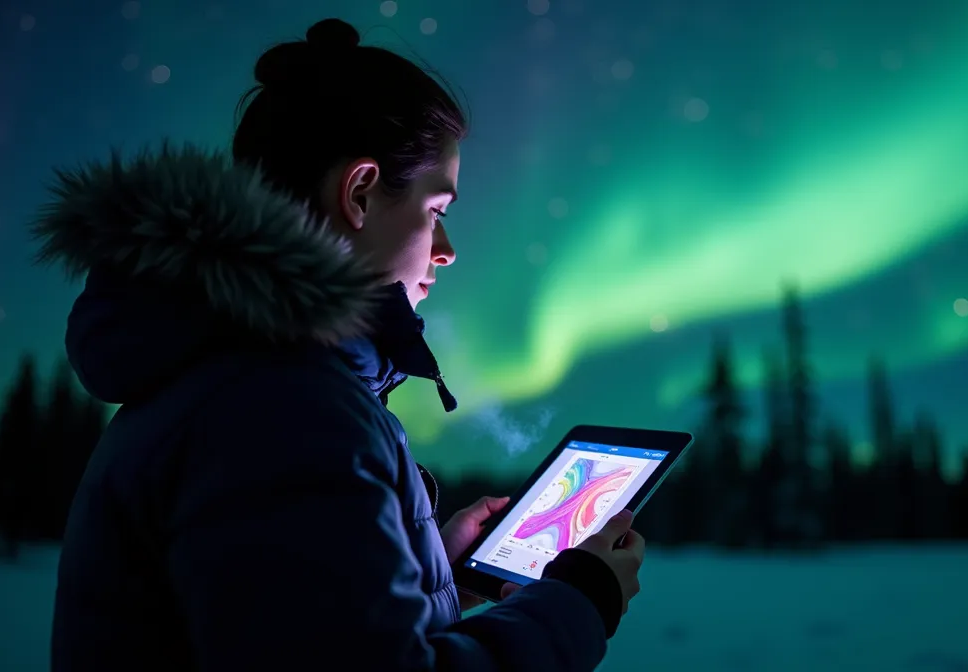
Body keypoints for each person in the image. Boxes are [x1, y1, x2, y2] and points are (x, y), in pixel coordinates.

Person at [37, 18, 645, 672]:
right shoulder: (286, 406)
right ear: (358, 192)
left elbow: (294, 617)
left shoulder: (230, 374)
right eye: (437, 210)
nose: (447, 250)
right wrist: (578, 603)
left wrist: (434, 566)